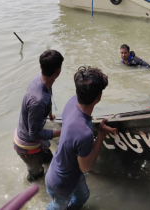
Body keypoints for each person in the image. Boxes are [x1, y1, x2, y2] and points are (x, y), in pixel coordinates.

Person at [45, 66, 117, 210]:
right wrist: (101, 134)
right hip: (61, 184)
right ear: (99, 97)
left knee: (83, 196)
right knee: (57, 207)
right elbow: (86, 167)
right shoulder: (84, 134)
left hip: (64, 170)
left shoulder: (72, 102)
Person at [14, 50, 63, 182]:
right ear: (58, 71)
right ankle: (35, 194)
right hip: (26, 145)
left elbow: (48, 95)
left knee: (50, 160)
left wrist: (50, 114)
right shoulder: (38, 101)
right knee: (37, 176)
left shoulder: (41, 80)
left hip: (33, 136)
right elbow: (34, 135)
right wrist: (61, 132)